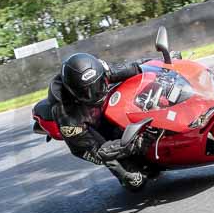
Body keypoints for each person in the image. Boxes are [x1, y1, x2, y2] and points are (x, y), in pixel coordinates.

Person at [47, 52, 147, 189]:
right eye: (86, 92)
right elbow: (98, 150)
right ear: (73, 92)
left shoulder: (100, 71)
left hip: (104, 112)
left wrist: (167, 61)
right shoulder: (66, 113)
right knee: (136, 182)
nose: (96, 93)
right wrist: (133, 145)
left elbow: (137, 67)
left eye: (99, 85)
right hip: (88, 137)